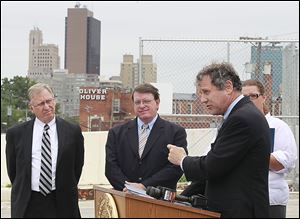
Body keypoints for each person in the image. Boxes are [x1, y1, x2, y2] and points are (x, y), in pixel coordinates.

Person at [167, 62, 271, 218]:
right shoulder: (238, 115)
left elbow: (213, 166)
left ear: (228, 87)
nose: (202, 99)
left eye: (206, 92)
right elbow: (220, 169)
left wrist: (182, 159)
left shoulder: (242, 119)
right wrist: (175, 198)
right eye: (199, 94)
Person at [6, 83, 84, 218]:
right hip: (29, 203)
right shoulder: (16, 134)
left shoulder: (72, 131)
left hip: (62, 202)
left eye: (49, 101)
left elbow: (77, 167)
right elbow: (13, 171)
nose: (47, 106)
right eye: (41, 103)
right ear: (31, 108)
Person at [105, 83, 188, 192]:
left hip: (159, 199)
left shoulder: (175, 132)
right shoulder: (116, 133)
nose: (141, 105)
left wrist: (144, 186)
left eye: (146, 101)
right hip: (125, 196)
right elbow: (111, 168)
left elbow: (175, 168)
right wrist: (128, 188)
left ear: (157, 103)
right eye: (137, 102)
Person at [242, 79, 298, 218]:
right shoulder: (232, 126)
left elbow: (286, 162)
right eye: (244, 97)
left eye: (253, 96)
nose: (248, 100)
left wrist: (251, 154)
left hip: (270, 199)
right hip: (239, 200)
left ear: (264, 98)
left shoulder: (278, 127)